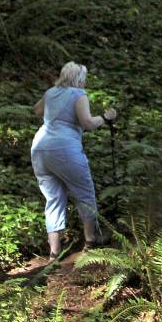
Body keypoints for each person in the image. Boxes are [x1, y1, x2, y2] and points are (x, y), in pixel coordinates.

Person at [31, 61, 117, 260]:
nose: (85, 83)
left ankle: (54, 253)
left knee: (53, 198)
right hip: (65, 149)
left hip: (40, 149)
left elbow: (37, 111)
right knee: (84, 192)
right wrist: (106, 117)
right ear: (78, 79)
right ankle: (91, 241)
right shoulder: (78, 95)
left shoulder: (51, 92)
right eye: (84, 79)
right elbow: (87, 123)